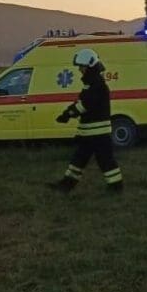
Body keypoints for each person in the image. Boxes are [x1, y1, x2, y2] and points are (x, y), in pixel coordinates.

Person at [48, 48, 123, 194]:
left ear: (89, 66)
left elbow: (84, 104)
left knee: (106, 162)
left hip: (98, 133)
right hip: (90, 132)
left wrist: (68, 113)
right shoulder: (92, 83)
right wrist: (69, 112)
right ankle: (66, 185)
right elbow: (83, 102)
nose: (80, 70)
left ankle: (116, 187)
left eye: (81, 67)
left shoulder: (96, 85)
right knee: (78, 160)